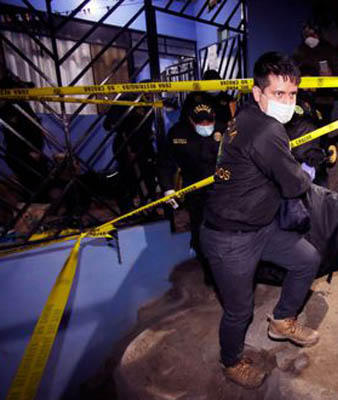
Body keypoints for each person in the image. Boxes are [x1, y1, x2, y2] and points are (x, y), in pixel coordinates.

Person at [200, 52, 321, 389]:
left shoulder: (245, 115)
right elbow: (295, 184)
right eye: (278, 93)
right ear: (257, 93)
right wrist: (306, 171)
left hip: (259, 226)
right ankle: (230, 362)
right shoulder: (267, 129)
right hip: (229, 237)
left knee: (306, 259)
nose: (287, 101)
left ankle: (282, 321)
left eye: (292, 93)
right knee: (240, 311)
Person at [157, 95, 222, 286]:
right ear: (190, 120)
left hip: (224, 191)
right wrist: (168, 189)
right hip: (196, 192)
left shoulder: (225, 129)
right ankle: (210, 274)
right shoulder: (178, 133)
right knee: (201, 232)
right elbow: (165, 163)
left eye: (209, 121)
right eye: (200, 122)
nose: (205, 125)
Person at [103, 89, 157, 213]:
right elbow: (108, 124)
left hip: (145, 145)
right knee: (129, 178)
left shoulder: (150, 103)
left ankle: (149, 207)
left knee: (149, 176)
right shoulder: (125, 100)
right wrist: (128, 143)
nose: (151, 94)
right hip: (126, 144)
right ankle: (128, 210)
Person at [293, 20, 338, 123]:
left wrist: (332, 76)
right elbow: (294, 69)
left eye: (312, 34)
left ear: (318, 33)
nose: (309, 38)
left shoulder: (329, 50)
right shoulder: (300, 50)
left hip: (324, 97)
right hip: (305, 96)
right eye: (306, 35)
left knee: (323, 123)